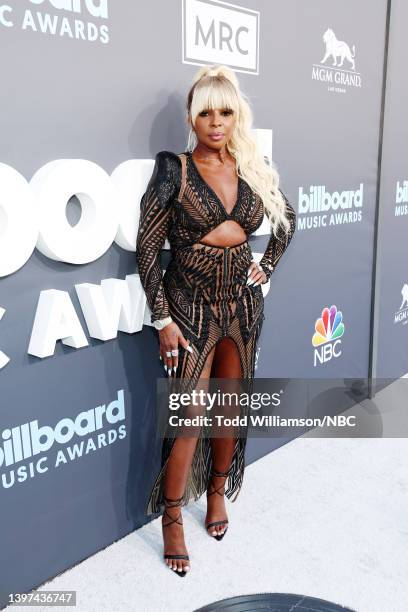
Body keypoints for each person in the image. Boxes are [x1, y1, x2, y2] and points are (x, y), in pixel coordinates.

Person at [135, 64, 296, 577]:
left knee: (228, 409)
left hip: (243, 309)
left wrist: (265, 265)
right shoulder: (175, 170)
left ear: (236, 115)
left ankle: (218, 491)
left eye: (224, 111)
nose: (216, 121)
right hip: (190, 307)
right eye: (205, 111)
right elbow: (147, 248)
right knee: (189, 419)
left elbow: (286, 222)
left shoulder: (252, 167)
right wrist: (162, 317)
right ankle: (173, 517)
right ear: (191, 117)